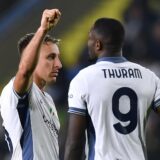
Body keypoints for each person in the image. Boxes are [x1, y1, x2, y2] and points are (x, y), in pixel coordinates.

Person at [64, 17, 160, 160]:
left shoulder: (83, 79)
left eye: (90, 39)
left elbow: (75, 143)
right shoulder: (148, 76)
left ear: (98, 45)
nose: (87, 43)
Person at [0, 9, 62, 160]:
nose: (59, 64)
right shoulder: (16, 92)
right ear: (33, 59)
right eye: (50, 57)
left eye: (57, 57)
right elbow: (25, 71)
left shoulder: (48, 100)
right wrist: (42, 30)